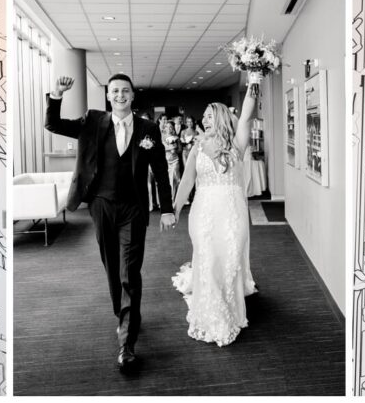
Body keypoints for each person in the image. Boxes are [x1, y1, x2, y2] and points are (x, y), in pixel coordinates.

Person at [44, 74, 177, 373]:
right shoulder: (92, 122)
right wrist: (56, 95)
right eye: (115, 91)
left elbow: (159, 168)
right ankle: (125, 312)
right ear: (108, 96)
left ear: (132, 96)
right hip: (101, 205)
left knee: (129, 269)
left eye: (125, 91)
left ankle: (126, 344)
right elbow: (53, 124)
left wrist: (166, 209)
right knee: (112, 265)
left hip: (133, 208)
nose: (120, 95)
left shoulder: (149, 129)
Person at [170, 74, 262, 346]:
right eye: (204, 116)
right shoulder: (197, 148)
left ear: (221, 118)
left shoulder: (237, 145)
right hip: (204, 213)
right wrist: (173, 211)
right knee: (208, 259)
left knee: (230, 261)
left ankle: (230, 306)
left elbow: (246, 115)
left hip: (232, 214)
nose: (205, 119)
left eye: (210, 115)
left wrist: (254, 81)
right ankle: (213, 313)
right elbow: (187, 181)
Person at [163, 122, 182, 202]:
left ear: (173, 128)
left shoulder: (176, 138)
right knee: (170, 180)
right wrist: (169, 149)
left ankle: (180, 196)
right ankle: (171, 199)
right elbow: (161, 150)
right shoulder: (163, 138)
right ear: (165, 128)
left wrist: (175, 150)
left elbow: (180, 149)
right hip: (167, 161)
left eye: (171, 127)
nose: (169, 129)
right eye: (168, 127)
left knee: (176, 179)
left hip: (175, 160)